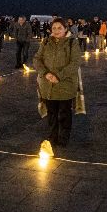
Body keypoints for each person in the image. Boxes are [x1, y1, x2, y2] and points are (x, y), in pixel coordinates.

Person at [34, 18, 81, 147]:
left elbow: (75, 63)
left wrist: (59, 76)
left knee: (64, 113)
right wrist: (46, 73)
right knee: (51, 113)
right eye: (54, 28)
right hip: (47, 84)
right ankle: (52, 136)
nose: (56, 31)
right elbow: (37, 59)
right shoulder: (46, 42)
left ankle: (63, 138)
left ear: (66, 29)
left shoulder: (72, 43)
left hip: (65, 84)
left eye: (59, 28)